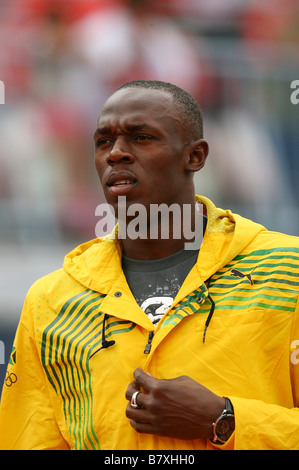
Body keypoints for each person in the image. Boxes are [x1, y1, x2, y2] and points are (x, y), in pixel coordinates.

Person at [0, 80, 299, 450]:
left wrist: (223, 419)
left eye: (141, 138)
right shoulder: (51, 301)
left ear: (195, 156)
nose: (116, 154)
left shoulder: (287, 271)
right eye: (104, 142)